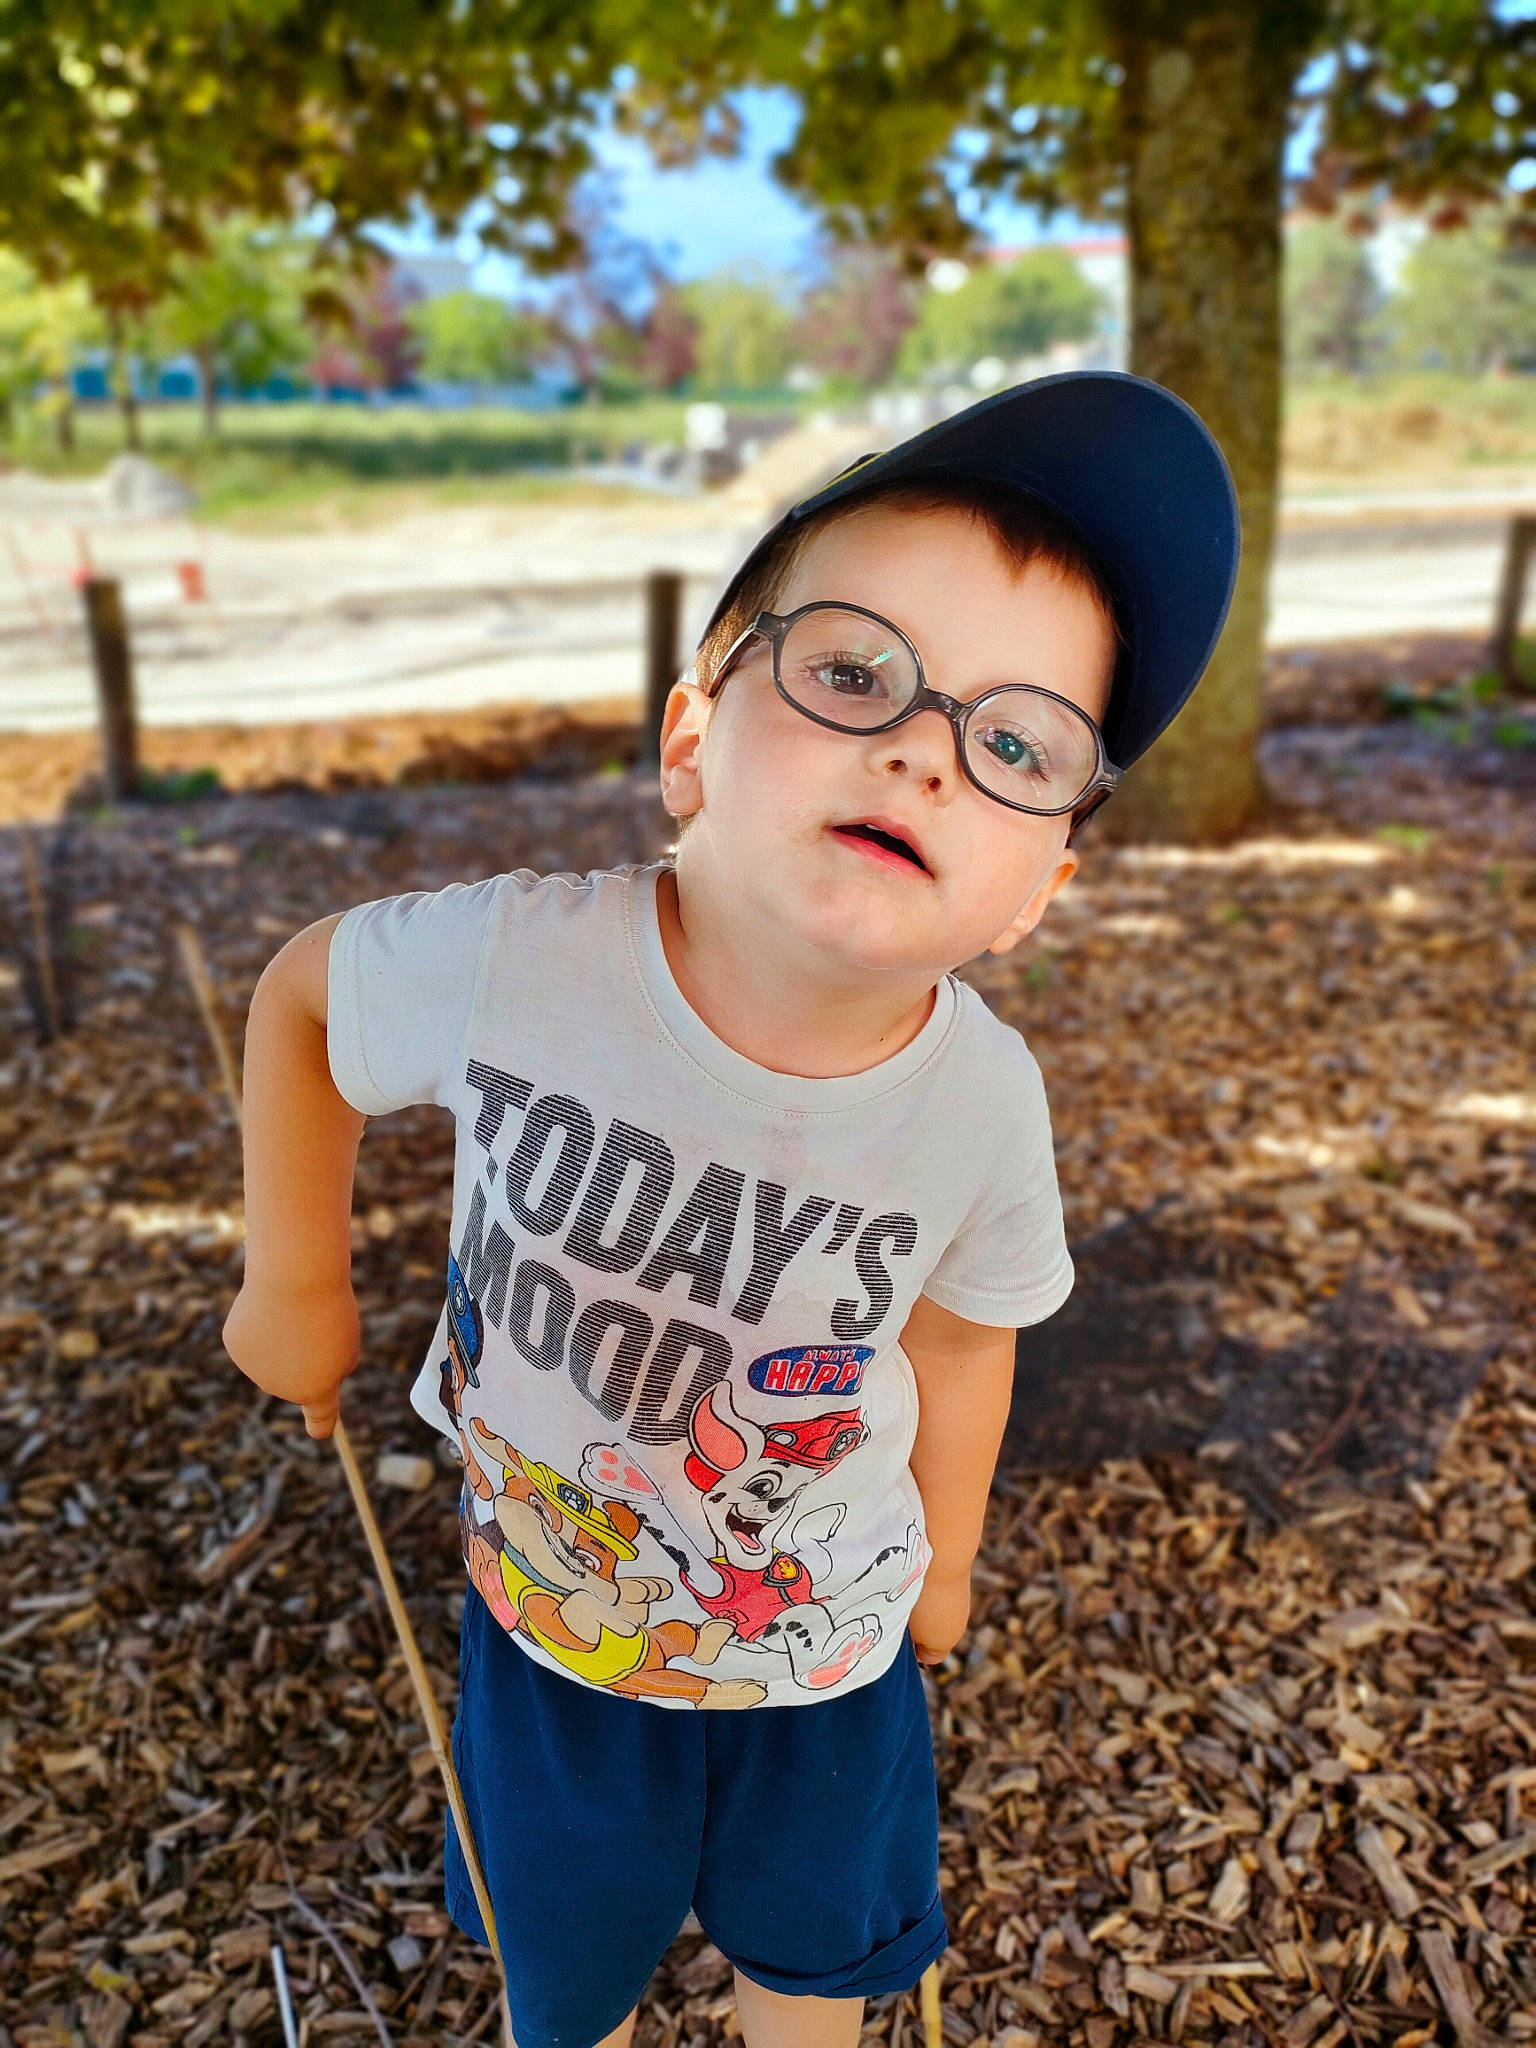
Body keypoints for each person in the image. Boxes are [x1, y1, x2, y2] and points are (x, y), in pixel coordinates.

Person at [224, 371, 1238, 2048]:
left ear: (1041, 889)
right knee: (571, 1974)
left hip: (829, 1651)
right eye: (855, 671)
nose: (924, 747)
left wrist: (954, 1555)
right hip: (551, 1635)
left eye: (1017, 743)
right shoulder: (511, 962)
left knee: (815, 1966)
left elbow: (965, 1340)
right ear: (694, 736)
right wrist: (293, 1281)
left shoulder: (982, 1102)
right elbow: (305, 1005)